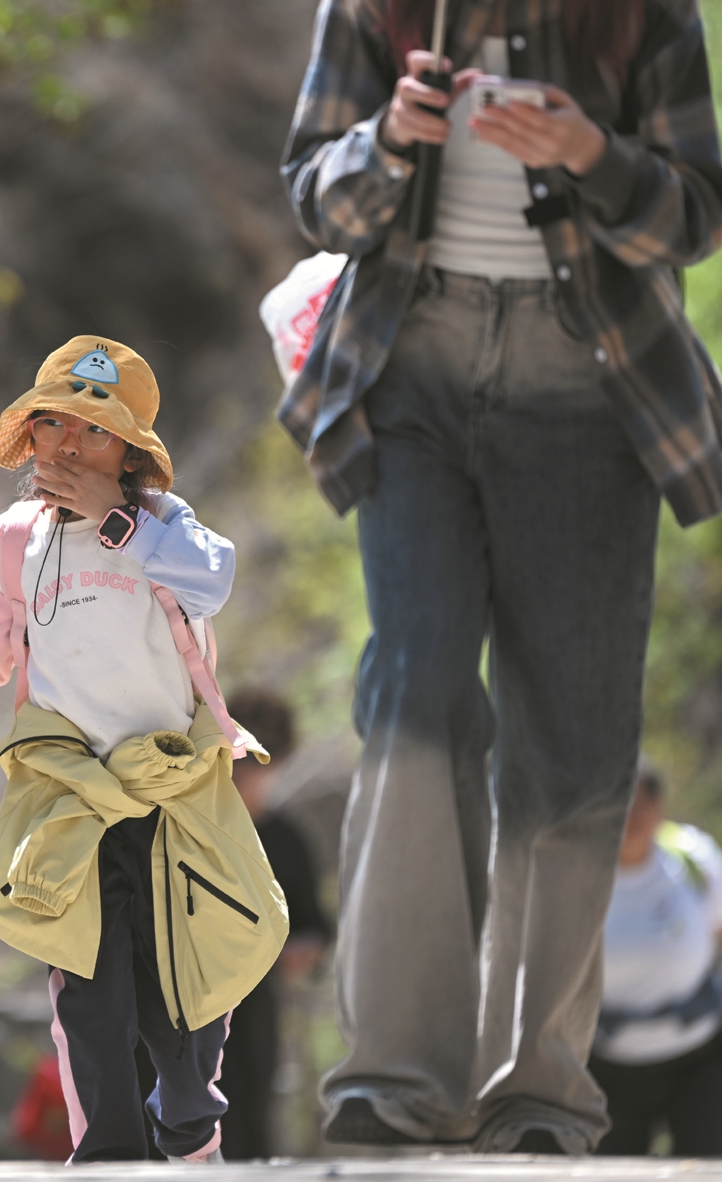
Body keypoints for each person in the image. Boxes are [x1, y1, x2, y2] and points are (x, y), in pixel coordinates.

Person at [282, 0, 722, 1153]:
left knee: (571, 738)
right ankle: (394, 1078)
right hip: (408, 367)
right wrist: (387, 139)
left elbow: (694, 215)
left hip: (587, 381)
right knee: (415, 687)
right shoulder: (370, 7)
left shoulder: (647, 13)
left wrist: (589, 152)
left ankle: (535, 1090)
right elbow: (313, 197)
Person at [0, 336, 286, 1162]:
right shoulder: (14, 541)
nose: (69, 445)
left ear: (130, 453)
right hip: (70, 798)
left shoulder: (164, 526)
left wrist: (117, 519)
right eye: (53, 424)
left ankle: (190, 1124)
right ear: (30, 436)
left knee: (182, 995)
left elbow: (211, 579)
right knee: (89, 1004)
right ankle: (108, 1160)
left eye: (95, 431)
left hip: (170, 791)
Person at [214, 690, 333, 1160]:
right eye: (239, 758)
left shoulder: (285, 840)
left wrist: (302, 950)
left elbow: (313, 926)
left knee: (246, 1123)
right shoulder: (183, 830)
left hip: (251, 1008)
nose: (246, 774)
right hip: (173, 1002)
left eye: (259, 762)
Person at [589, 763, 722, 1155]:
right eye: (624, 804)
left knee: (706, 1163)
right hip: (607, 1062)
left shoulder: (692, 858)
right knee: (613, 1171)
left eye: (643, 803)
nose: (634, 815)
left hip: (698, 1054)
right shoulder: (579, 871)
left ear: (659, 808)